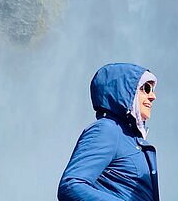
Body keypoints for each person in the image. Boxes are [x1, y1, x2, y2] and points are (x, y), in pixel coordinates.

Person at [58, 63, 159, 201]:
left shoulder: (130, 138)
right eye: (146, 88)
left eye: (153, 89)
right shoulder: (107, 130)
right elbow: (71, 185)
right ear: (124, 91)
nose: (153, 96)